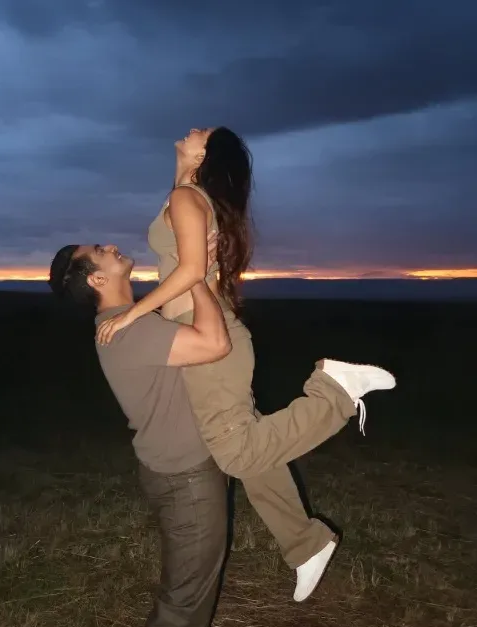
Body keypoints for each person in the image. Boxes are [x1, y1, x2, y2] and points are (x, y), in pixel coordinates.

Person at [50, 242, 394, 627]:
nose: (112, 246)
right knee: (183, 600)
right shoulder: (127, 330)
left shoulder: (127, 324)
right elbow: (214, 343)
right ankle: (336, 391)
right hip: (186, 482)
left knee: (198, 583)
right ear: (96, 279)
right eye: (100, 250)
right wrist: (195, 275)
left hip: (183, 467)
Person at [89, 126, 395, 601]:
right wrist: (183, 168)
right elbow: (181, 249)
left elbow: (190, 270)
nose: (191, 130)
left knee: (234, 452)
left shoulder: (185, 198)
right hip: (202, 329)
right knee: (248, 448)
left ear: (207, 155)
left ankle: (335, 389)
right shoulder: (185, 193)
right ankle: (305, 543)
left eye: (201, 133)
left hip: (208, 336)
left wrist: (133, 311)